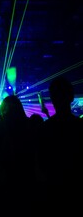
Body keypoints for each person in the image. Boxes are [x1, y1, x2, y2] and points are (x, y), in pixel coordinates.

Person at [36, 76, 83, 216]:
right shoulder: (80, 127)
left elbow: (40, 166)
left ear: (52, 98)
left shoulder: (44, 129)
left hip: (54, 197)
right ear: (72, 97)